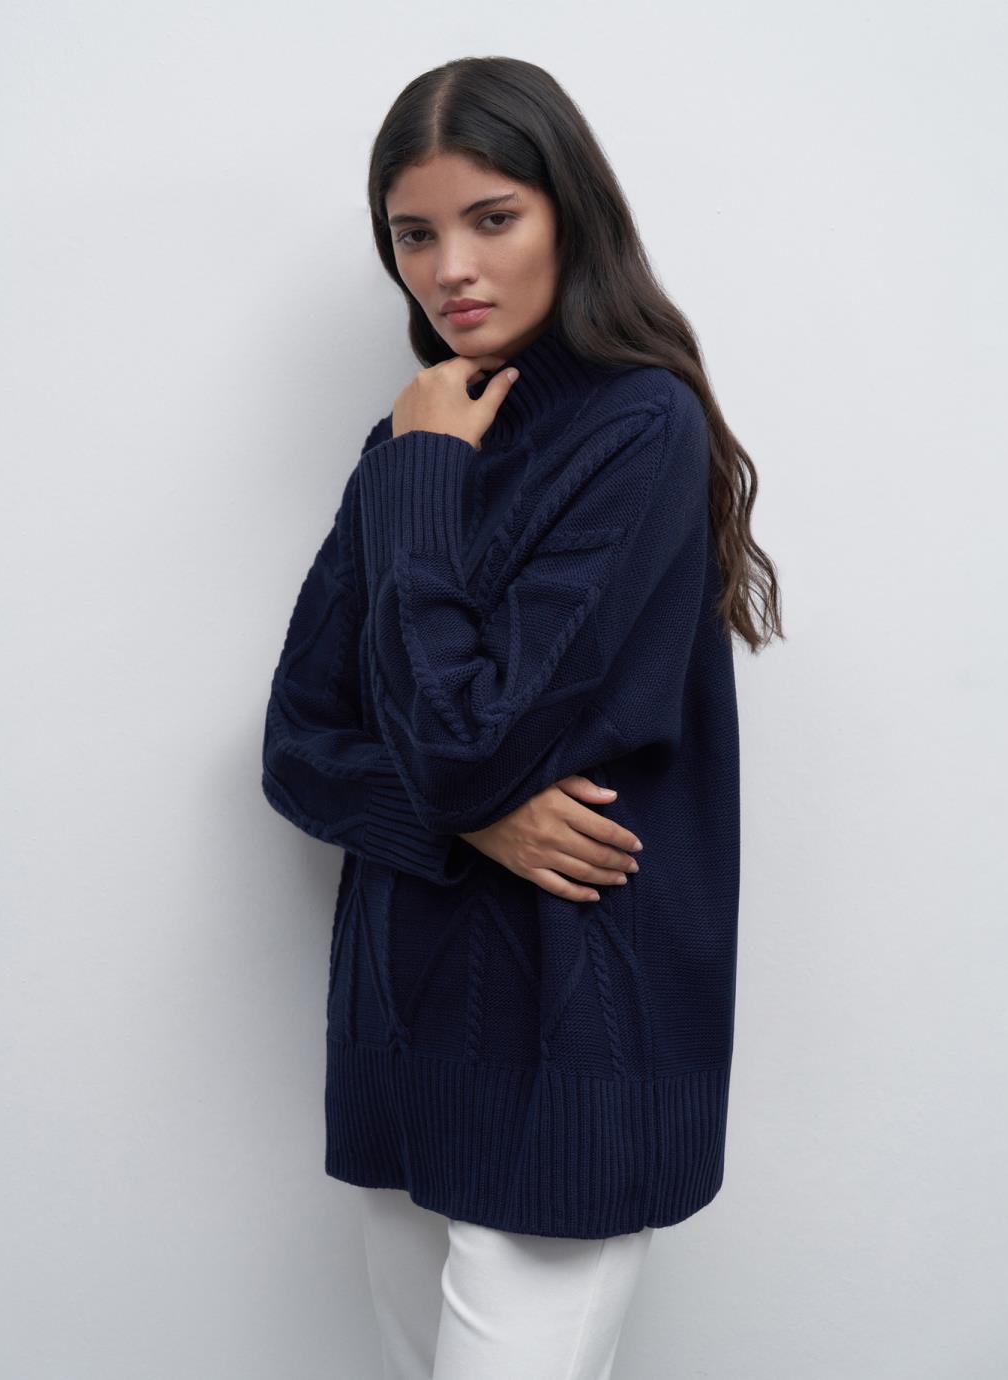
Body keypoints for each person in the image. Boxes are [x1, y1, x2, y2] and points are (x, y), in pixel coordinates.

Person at [261, 55, 782, 1379]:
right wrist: (466, 826)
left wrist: (429, 468)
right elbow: (298, 746)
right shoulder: (411, 444)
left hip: (575, 1032)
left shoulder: (639, 429)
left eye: (493, 218)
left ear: (571, 214)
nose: (450, 270)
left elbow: (468, 740)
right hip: (404, 1025)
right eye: (413, 234)